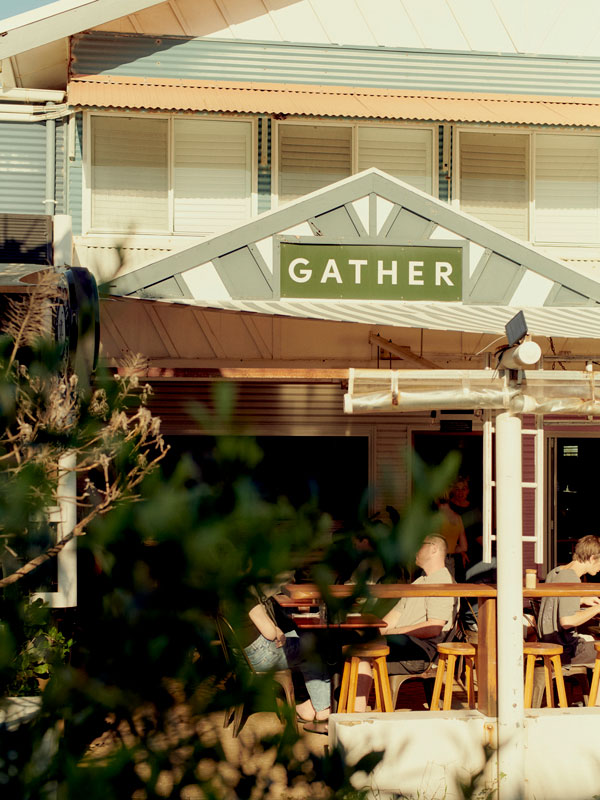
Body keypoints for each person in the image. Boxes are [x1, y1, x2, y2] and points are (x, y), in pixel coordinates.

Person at [352, 534, 457, 712]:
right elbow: (393, 617)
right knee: (350, 643)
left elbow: (434, 627)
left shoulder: (442, 582)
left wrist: (391, 633)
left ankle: (355, 715)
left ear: (433, 549)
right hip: (404, 642)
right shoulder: (420, 581)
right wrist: (372, 631)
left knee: (362, 652)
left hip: (421, 651)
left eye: (419, 545)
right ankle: (329, 709)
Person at [239, 590, 331, 725]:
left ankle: (312, 706)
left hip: (243, 658)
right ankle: (322, 709)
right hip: (262, 657)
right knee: (313, 648)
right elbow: (270, 634)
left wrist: (275, 629)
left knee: (298, 636)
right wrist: (274, 629)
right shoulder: (245, 596)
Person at [538, 534, 600, 664]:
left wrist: (581, 600)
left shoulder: (556, 572)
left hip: (550, 642)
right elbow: (567, 621)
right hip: (566, 651)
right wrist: (597, 608)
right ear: (593, 558)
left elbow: (554, 604)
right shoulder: (570, 579)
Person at [435, 493, 469, 579]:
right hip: (450, 561)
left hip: (436, 561)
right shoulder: (457, 518)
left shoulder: (436, 518)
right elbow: (464, 547)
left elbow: (433, 544)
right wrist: (452, 548)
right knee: (448, 590)